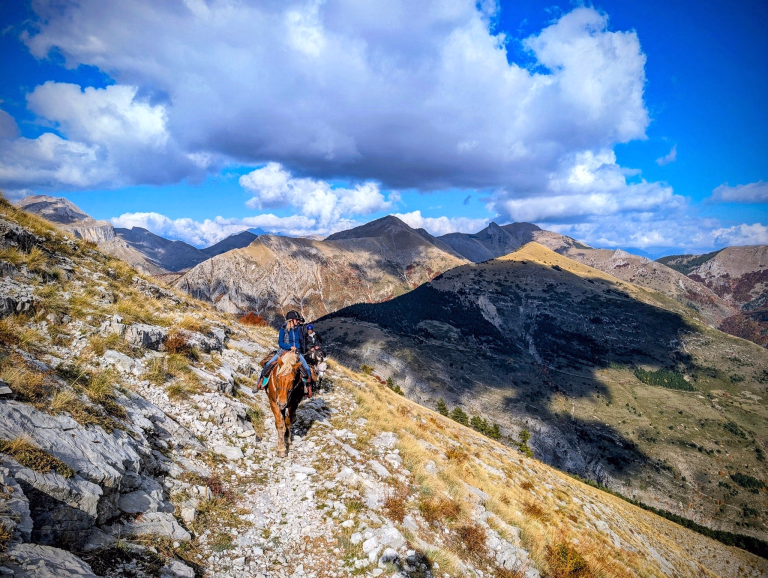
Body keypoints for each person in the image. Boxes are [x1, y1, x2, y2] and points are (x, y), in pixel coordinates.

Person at [257, 310, 312, 390]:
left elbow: (298, 342)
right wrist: (290, 347)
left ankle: (308, 387)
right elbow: (281, 343)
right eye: (297, 320)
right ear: (291, 320)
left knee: (306, 368)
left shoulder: (298, 329)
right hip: (282, 351)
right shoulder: (283, 329)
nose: (298, 321)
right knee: (268, 364)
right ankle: (260, 381)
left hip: (296, 352)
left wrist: (297, 348)